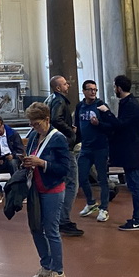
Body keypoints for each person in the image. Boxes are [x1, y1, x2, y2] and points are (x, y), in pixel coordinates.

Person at [22, 102, 70, 277]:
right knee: (35, 228)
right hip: (35, 188)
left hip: (52, 189)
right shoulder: (34, 135)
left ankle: (58, 273)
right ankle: (46, 266)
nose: (33, 127)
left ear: (47, 120)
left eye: (36, 123)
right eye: (31, 123)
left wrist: (42, 163)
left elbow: (64, 169)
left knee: (51, 230)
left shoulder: (58, 139)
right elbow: (31, 154)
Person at [96, 75, 139, 230]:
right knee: (137, 185)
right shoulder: (127, 103)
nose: (114, 90)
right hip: (133, 151)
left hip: (133, 152)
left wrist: (106, 113)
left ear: (118, 88)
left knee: (135, 186)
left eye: (114, 87)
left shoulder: (130, 105)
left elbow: (120, 125)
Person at [46, 75, 82, 236]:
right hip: (64, 146)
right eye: (64, 84)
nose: (68, 85)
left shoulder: (51, 99)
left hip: (56, 146)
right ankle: (64, 220)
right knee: (71, 183)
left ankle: (57, 218)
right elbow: (56, 119)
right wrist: (70, 131)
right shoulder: (59, 101)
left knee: (61, 183)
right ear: (58, 88)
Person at [75, 80, 110, 222]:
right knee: (82, 177)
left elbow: (110, 125)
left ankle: (104, 208)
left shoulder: (101, 106)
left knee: (102, 179)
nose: (93, 92)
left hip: (100, 148)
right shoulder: (80, 106)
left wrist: (99, 124)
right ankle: (91, 203)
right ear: (84, 91)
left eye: (95, 89)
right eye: (90, 89)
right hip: (86, 148)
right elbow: (77, 123)